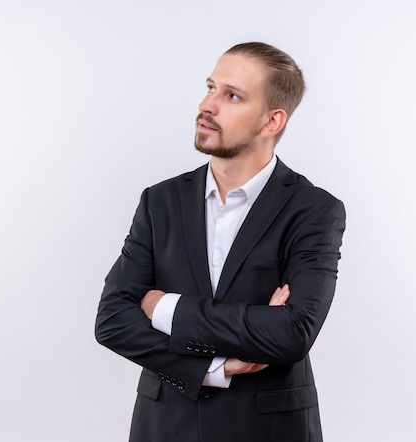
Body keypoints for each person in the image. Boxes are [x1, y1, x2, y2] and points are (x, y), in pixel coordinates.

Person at [95, 42, 346, 442]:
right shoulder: (160, 201)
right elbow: (112, 321)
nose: (207, 104)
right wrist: (216, 367)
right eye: (210, 87)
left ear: (271, 122)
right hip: (166, 426)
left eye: (231, 96)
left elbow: (292, 333)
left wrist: (164, 307)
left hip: (269, 429)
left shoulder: (314, 210)